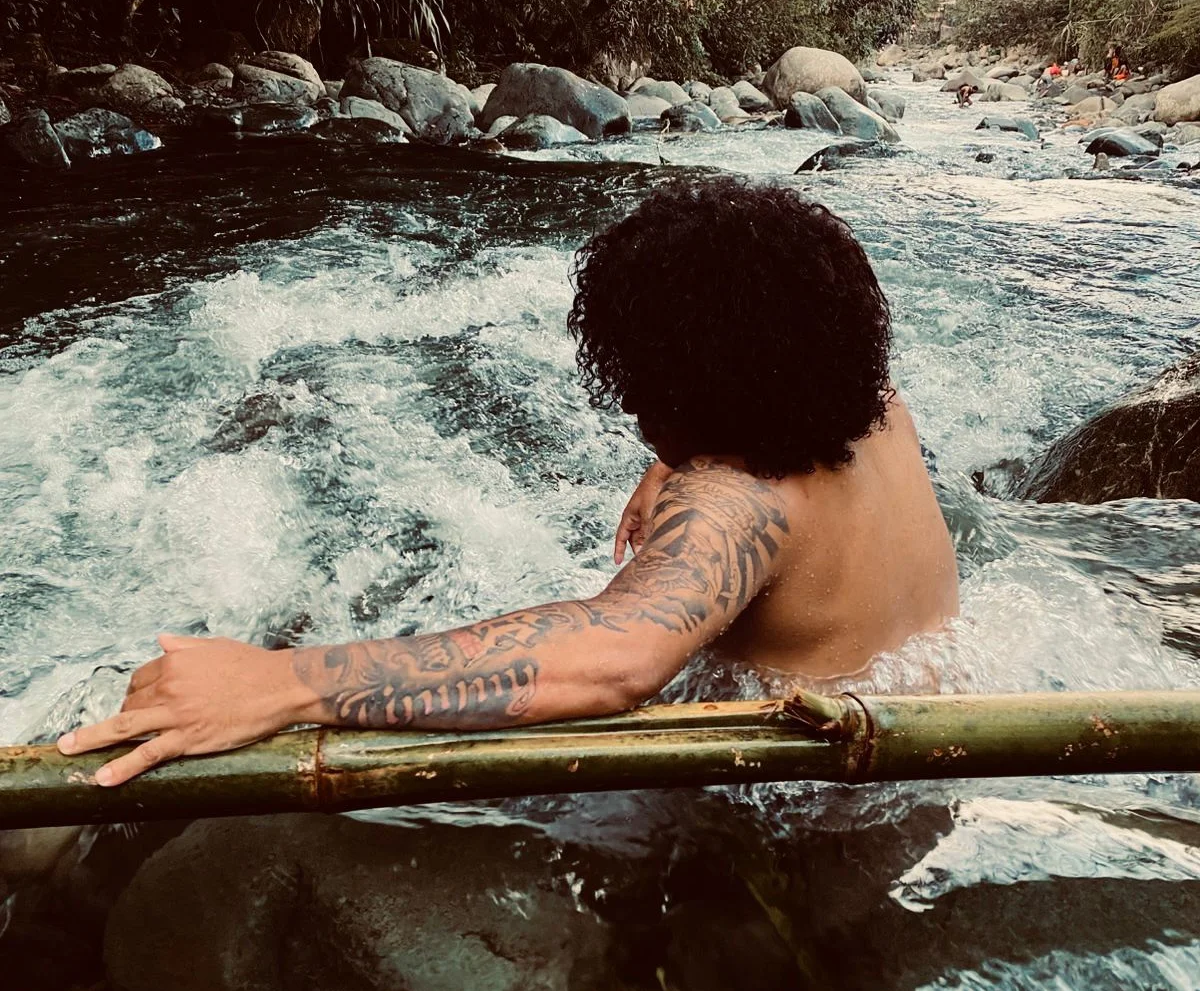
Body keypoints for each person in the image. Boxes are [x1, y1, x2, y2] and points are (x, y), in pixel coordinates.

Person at [59, 179, 960, 787]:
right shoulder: (877, 407)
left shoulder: (738, 501)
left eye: (646, 390)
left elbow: (620, 657)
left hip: (804, 814)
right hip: (924, 735)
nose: (633, 408)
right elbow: (769, 379)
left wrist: (280, 683)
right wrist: (678, 454)